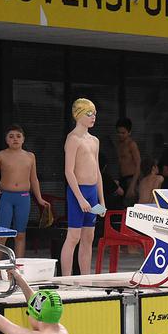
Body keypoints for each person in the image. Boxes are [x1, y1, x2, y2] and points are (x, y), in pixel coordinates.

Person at [0, 125, 50, 259]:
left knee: (20, 234)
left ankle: (18, 267)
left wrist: (39, 198)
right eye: (11, 136)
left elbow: (34, 179)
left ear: (23, 139)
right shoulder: (1, 155)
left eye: (18, 136)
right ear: (6, 140)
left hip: (23, 197)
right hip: (6, 197)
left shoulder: (30, 156)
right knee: (2, 234)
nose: (15, 139)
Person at [61, 98, 105, 277]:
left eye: (94, 113)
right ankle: (66, 279)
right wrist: (80, 198)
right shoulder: (73, 139)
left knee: (89, 238)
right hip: (77, 193)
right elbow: (68, 172)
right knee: (73, 237)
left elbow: (97, 172)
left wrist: (102, 201)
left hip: (92, 193)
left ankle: (86, 278)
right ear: (78, 115)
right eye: (89, 113)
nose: (93, 117)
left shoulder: (94, 140)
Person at [114, 117, 141, 202]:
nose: (120, 135)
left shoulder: (131, 144)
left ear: (129, 132)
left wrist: (132, 185)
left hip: (132, 178)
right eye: (118, 133)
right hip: (122, 178)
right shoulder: (119, 144)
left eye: (123, 133)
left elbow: (138, 164)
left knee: (130, 204)